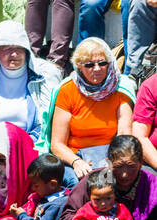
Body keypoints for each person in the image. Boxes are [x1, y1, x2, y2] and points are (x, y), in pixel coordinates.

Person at [50, 39, 133, 179]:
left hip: (112, 154)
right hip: (76, 156)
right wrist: (77, 162)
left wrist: (115, 161)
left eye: (102, 63)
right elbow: (57, 144)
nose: (97, 68)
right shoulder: (67, 90)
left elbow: (125, 134)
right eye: (89, 65)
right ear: (79, 67)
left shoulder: (121, 88)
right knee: (80, 185)